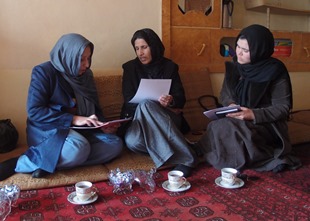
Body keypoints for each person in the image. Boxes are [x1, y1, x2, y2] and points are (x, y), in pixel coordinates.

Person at [0, 33, 123, 181]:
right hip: (49, 130)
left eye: (88, 58)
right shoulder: (44, 72)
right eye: (81, 59)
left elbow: (95, 109)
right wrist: (73, 118)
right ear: (68, 56)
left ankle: (49, 163)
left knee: (115, 145)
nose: (87, 65)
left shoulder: (86, 76)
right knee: (79, 148)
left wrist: (103, 125)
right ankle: (23, 162)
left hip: (81, 133)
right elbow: (34, 111)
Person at [196, 24, 301, 173]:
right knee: (215, 126)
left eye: (245, 50)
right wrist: (231, 105)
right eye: (238, 46)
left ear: (260, 51)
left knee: (228, 128)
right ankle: (237, 159)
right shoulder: (235, 65)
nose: (239, 53)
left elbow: (282, 108)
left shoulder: (275, 71)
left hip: (266, 122)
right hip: (238, 116)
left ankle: (250, 161)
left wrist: (252, 114)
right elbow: (225, 93)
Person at [118, 28, 197, 177]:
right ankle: (185, 146)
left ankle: (187, 159)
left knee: (147, 104)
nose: (140, 53)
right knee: (132, 142)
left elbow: (181, 98)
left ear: (153, 46)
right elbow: (128, 100)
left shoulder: (170, 67)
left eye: (144, 47)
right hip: (139, 119)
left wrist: (171, 100)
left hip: (167, 117)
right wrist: (150, 104)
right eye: (137, 48)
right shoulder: (129, 68)